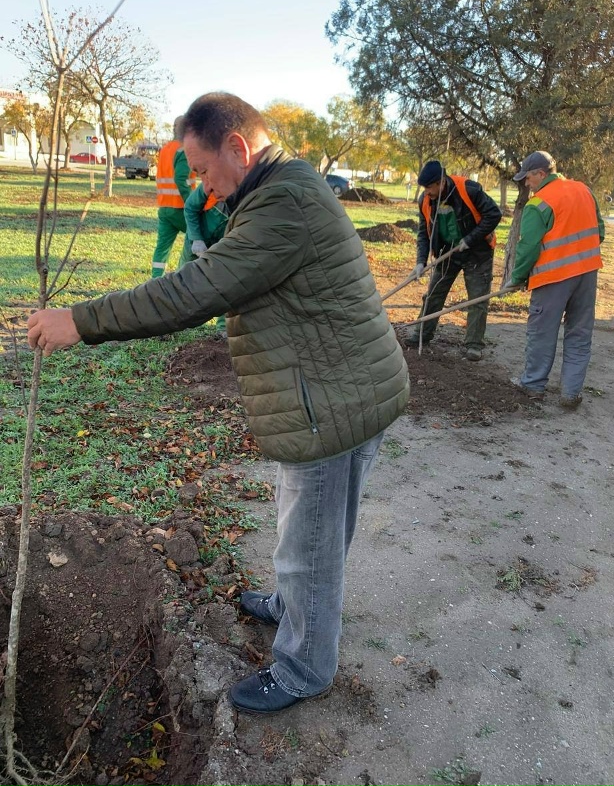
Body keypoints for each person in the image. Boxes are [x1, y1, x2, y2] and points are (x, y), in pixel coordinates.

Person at [26, 92, 410, 716]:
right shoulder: (280, 188)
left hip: (329, 405)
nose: (200, 191)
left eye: (203, 172)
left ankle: (304, 667)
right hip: (345, 389)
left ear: (239, 147)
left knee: (307, 541)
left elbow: (194, 290)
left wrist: (82, 320)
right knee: (313, 531)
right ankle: (295, 607)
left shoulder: (283, 205)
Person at [509, 150, 605, 408]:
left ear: (541, 174)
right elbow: (600, 231)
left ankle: (532, 386)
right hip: (587, 275)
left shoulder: (538, 203)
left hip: (553, 279)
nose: (526, 184)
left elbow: (528, 247)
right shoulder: (583, 190)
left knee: (542, 332)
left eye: (528, 178)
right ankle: (570, 394)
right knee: (579, 333)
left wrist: (516, 278)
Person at [405, 160, 502, 360]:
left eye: (430, 187)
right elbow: (424, 233)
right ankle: (422, 333)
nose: (427, 192)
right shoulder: (426, 200)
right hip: (447, 252)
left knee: (477, 299)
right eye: (424, 188)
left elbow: (494, 214)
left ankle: (474, 345)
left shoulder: (469, 190)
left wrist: (470, 238)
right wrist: (420, 262)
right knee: (433, 295)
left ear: (441, 182)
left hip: (478, 252)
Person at [178, 183, 229, 335]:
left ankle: (223, 327)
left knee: (226, 284)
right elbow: (190, 208)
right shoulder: (211, 183)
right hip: (196, 241)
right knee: (183, 281)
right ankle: (176, 318)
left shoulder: (246, 196)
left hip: (221, 246)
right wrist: (196, 239)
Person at [151, 115, 196, 278]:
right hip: (181, 207)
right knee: (196, 240)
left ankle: (155, 279)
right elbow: (181, 179)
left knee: (162, 247)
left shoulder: (165, 149)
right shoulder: (183, 149)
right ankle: (183, 279)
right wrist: (192, 203)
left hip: (164, 207)